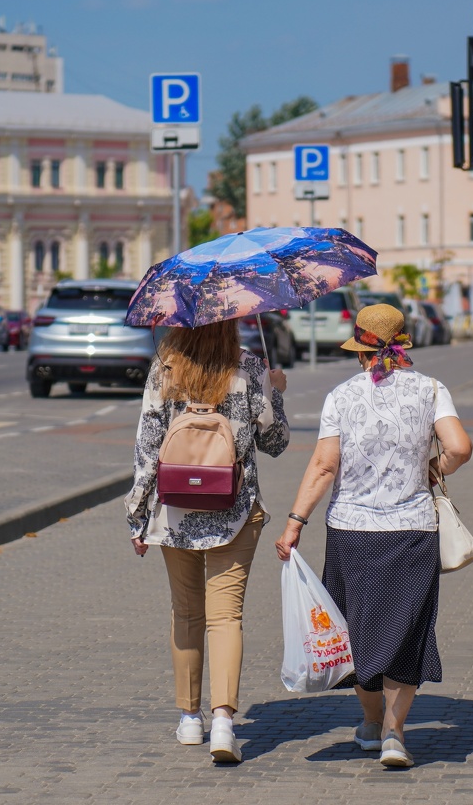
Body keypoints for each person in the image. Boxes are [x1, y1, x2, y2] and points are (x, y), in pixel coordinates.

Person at [274, 304, 472, 768]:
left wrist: (294, 522)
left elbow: (324, 466)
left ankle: (369, 721)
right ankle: (393, 734)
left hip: (352, 532)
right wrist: (432, 471)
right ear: (403, 344)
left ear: (361, 350)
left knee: (356, 632)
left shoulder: (341, 396)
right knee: (406, 634)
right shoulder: (431, 390)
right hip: (412, 532)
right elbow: (460, 447)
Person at [126, 319, 289, 764]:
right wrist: (276, 390)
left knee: (186, 612)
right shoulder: (249, 367)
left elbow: (146, 446)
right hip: (234, 510)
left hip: (175, 511)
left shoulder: (166, 367)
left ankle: (190, 717)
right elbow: (275, 442)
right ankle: (223, 721)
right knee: (226, 616)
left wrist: (138, 516)